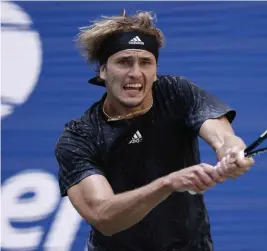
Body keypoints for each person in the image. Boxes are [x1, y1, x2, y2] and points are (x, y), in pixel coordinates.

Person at [54, 9, 255, 251]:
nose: (136, 73)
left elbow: (223, 137)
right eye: (124, 62)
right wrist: (168, 183)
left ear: (155, 71)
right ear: (103, 71)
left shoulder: (177, 93)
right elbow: (103, 215)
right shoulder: (80, 136)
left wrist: (231, 151)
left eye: (146, 62)